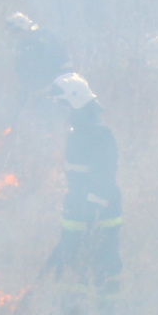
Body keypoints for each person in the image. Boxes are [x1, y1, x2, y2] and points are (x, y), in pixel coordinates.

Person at [42, 73, 122, 295]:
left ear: (76, 102)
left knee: (104, 262)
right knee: (71, 259)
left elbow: (105, 174)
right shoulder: (78, 132)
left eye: (64, 105)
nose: (62, 112)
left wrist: (93, 206)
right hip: (77, 206)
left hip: (102, 209)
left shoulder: (99, 133)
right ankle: (73, 311)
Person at [5, 12, 71, 99]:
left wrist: (63, 82)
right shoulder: (22, 47)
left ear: (22, 28)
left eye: (15, 32)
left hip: (58, 87)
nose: (15, 36)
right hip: (37, 92)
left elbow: (64, 60)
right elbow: (21, 70)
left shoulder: (47, 36)